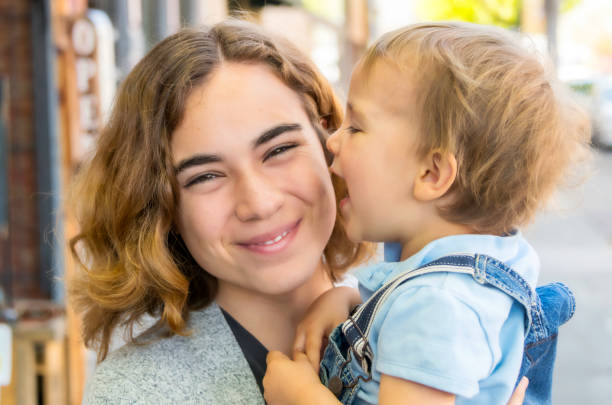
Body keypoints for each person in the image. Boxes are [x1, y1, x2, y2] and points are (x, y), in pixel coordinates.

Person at [70, 19, 528, 405]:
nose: (259, 203)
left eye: (280, 149)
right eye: (205, 176)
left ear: (334, 143)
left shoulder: (438, 307)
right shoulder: (139, 392)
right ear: (162, 207)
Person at [263, 22, 589, 405]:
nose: (333, 140)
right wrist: (354, 303)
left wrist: (300, 397)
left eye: (357, 127)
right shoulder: (474, 271)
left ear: (432, 174)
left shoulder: (437, 304)